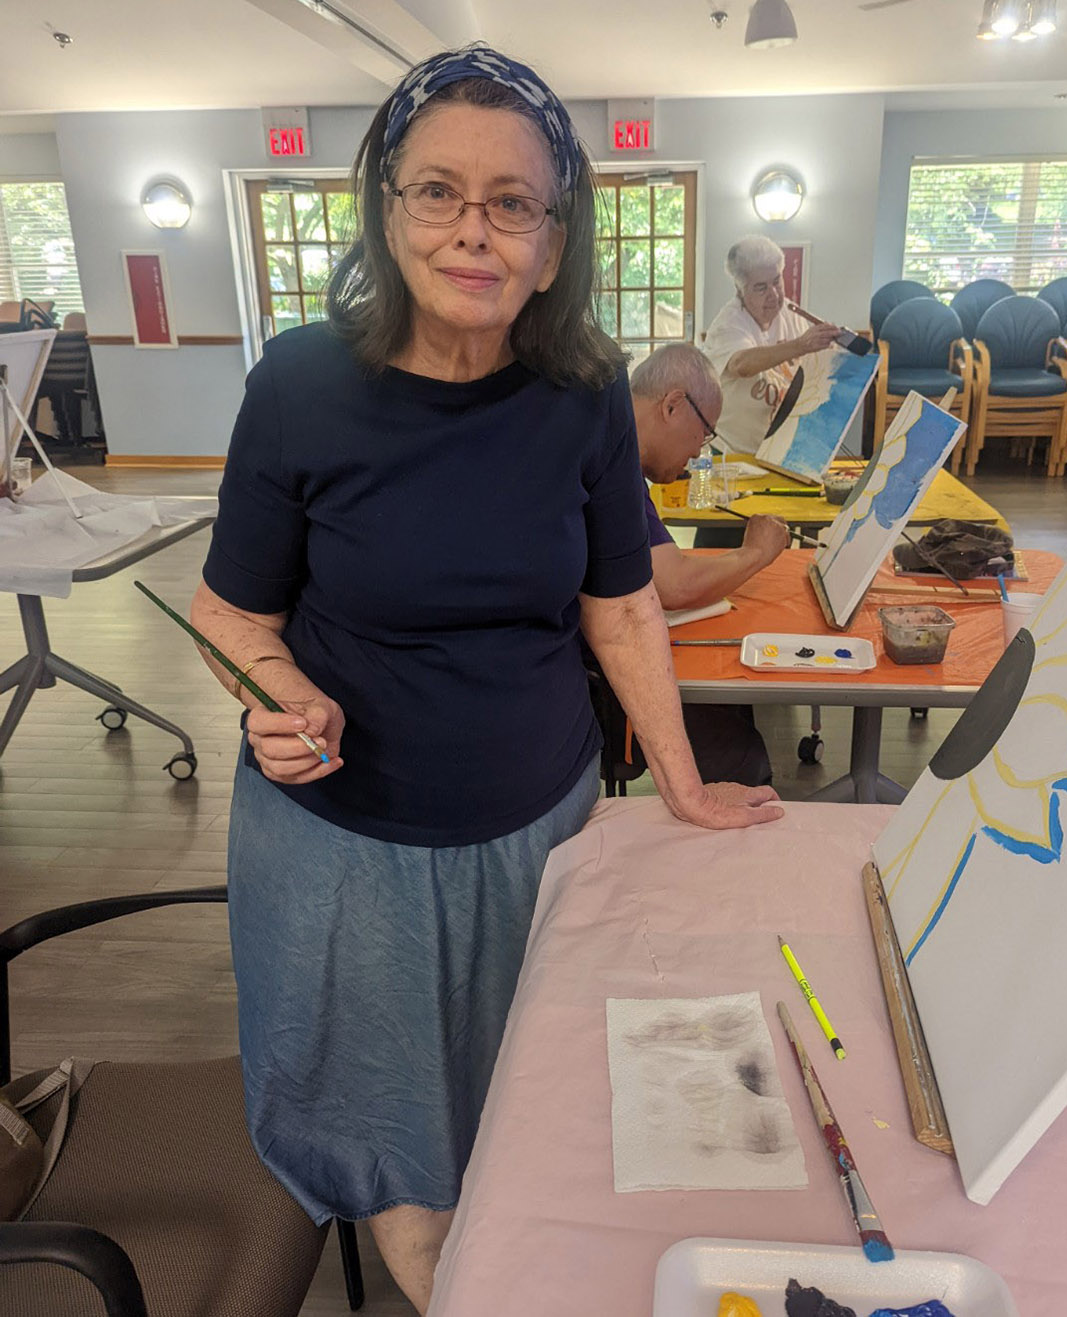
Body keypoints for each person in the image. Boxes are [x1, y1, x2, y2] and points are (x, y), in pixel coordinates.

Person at [189, 47, 782, 1315]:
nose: (475, 230)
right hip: (348, 856)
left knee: (540, 1111)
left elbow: (620, 605)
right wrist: (272, 692)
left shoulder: (579, 396)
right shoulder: (297, 386)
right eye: (438, 193)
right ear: (385, 208)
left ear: (555, 238)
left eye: (512, 201)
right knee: (417, 1160)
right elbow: (233, 611)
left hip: (543, 830)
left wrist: (681, 784)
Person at [628, 343, 789, 783]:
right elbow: (675, 585)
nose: (699, 452)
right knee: (742, 759)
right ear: (673, 405)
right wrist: (755, 553)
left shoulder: (612, 442)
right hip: (587, 681)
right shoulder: (611, 460)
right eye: (704, 433)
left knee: (733, 696)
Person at [703, 234, 843, 453]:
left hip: (781, 452)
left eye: (777, 281)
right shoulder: (728, 324)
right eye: (761, 287)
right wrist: (801, 344)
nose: (774, 294)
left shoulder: (791, 313)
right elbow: (741, 364)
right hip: (733, 454)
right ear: (740, 290)